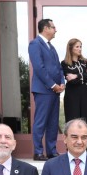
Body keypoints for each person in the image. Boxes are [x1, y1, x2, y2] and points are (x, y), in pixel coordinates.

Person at [29, 18, 65, 161]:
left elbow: (58, 67)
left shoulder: (51, 47)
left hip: (55, 91)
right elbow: (39, 68)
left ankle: (51, 151)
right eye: (53, 27)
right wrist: (52, 85)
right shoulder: (35, 44)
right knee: (41, 121)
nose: (56, 30)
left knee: (53, 122)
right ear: (45, 28)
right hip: (43, 90)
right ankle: (38, 152)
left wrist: (62, 83)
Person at [61, 38, 87, 154]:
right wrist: (84, 75)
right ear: (70, 48)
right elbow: (70, 80)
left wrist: (76, 76)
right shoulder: (65, 63)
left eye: (80, 46)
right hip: (73, 96)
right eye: (77, 47)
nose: (80, 49)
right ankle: (72, 150)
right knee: (73, 121)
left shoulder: (85, 62)